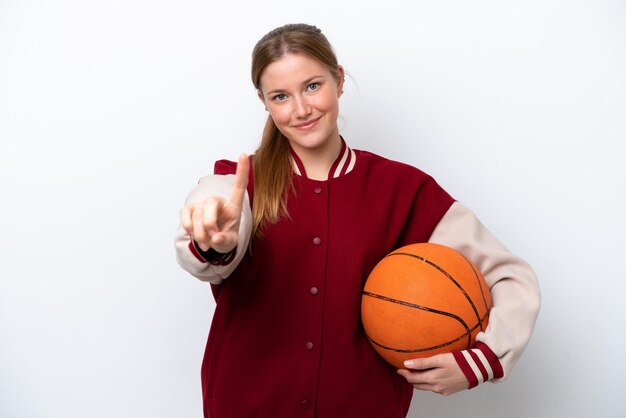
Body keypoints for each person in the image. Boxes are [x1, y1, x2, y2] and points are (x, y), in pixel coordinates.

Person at [174, 23, 540, 418]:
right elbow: (208, 215)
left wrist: (480, 361)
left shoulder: (404, 189)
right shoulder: (235, 183)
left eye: (313, 86)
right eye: (281, 96)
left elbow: (511, 276)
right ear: (264, 101)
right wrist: (214, 239)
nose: (301, 109)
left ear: (340, 80)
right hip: (243, 406)